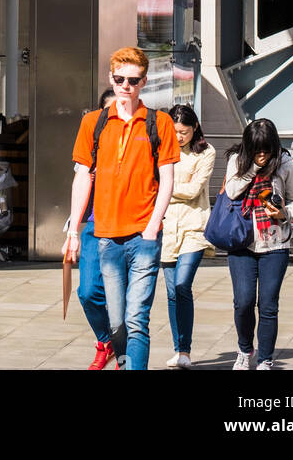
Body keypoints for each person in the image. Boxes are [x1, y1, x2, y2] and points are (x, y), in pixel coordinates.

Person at [64, 46, 180, 371]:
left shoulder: (160, 123)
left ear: (144, 81)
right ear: (111, 79)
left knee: (136, 318)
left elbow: (168, 179)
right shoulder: (93, 123)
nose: (126, 86)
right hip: (106, 237)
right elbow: (82, 178)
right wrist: (73, 230)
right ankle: (121, 358)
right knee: (117, 323)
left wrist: (153, 226)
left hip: (143, 235)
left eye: (133, 80)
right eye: (119, 79)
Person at [224, 118, 293, 371]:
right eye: (257, 149)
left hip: (275, 243)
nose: (262, 155)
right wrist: (253, 169)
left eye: (266, 150)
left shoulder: (285, 163)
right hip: (242, 241)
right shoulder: (237, 160)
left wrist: (283, 214)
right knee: (243, 301)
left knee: (268, 304)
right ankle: (245, 350)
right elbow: (231, 191)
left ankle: (266, 358)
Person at [161, 105, 216, 369]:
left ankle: (185, 348)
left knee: (183, 285)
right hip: (165, 226)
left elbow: (195, 190)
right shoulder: (161, 149)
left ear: (195, 129)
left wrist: (164, 188)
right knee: (172, 292)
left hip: (194, 225)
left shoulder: (206, 152)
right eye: (174, 132)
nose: (179, 137)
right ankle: (181, 350)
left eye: (184, 132)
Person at [72, 87, 116, 369]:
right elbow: (79, 181)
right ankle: (105, 340)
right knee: (88, 292)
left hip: (127, 226)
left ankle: (124, 355)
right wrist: (72, 230)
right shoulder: (92, 140)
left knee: (123, 299)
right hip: (93, 222)